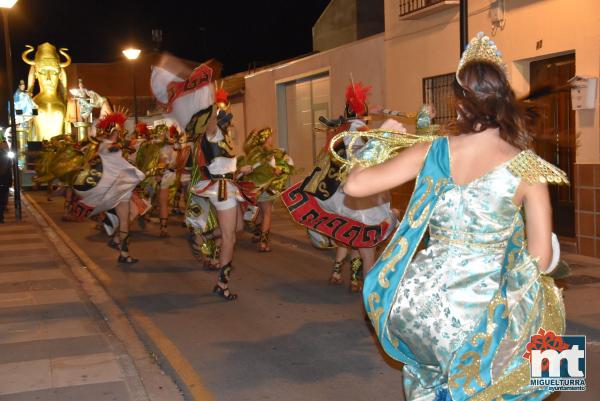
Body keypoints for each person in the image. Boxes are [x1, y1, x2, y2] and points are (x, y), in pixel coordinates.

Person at [345, 33, 567, 400]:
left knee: (432, 383)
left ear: (461, 104)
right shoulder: (529, 168)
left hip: (421, 308)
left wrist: (379, 142)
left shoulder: (432, 152)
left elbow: (354, 185)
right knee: (547, 346)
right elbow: (540, 260)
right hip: (485, 314)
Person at [282, 82, 397, 292]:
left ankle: (349, 277)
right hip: (362, 194)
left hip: (341, 193)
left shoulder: (341, 129)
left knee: (352, 236)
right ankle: (367, 294)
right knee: (366, 245)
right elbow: (373, 148)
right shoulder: (361, 130)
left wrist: (371, 111)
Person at [0, 138, 12, 223]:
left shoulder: (4, 154)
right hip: (3, 180)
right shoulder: (3, 153)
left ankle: (1, 218)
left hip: (3, 180)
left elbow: (4, 169)